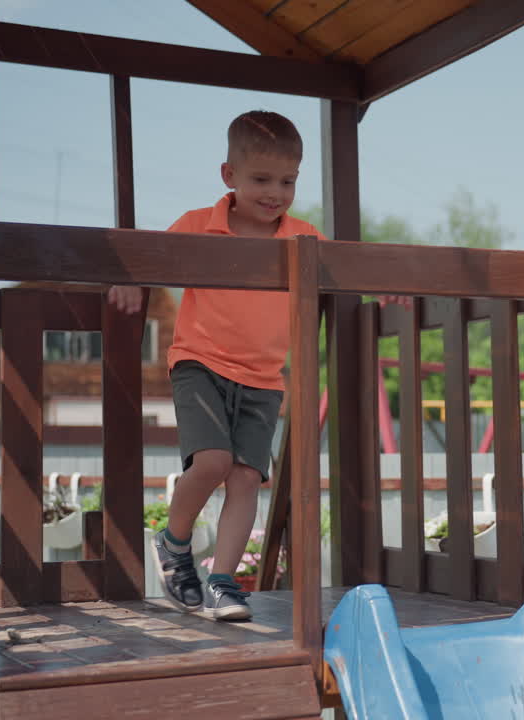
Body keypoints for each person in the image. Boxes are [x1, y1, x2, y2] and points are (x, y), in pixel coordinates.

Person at [108, 110, 319, 621]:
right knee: (212, 463)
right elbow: (150, 258)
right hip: (200, 363)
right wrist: (130, 278)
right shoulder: (197, 224)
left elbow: (350, 274)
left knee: (246, 477)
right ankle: (175, 542)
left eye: (287, 181)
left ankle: (223, 582)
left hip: (264, 378)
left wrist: (385, 289)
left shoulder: (302, 237)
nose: (276, 192)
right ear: (229, 176)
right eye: (261, 179)